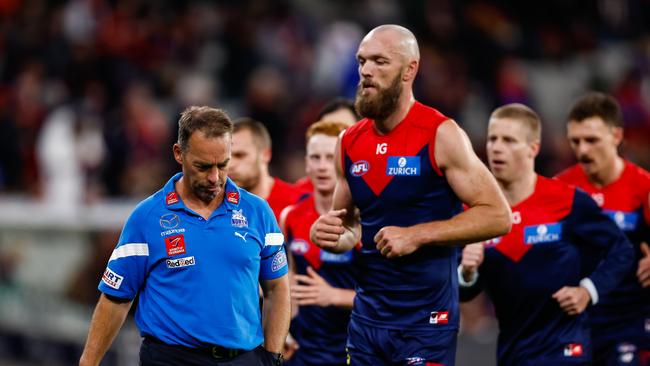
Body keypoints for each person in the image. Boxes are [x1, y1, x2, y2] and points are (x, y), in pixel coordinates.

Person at [310, 24, 512, 366]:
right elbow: (350, 227)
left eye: (379, 61)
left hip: (426, 322)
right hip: (366, 321)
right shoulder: (348, 142)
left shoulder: (441, 134)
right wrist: (329, 234)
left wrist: (418, 234)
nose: (366, 71)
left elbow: (498, 215)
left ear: (410, 69)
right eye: (361, 62)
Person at [79, 106, 290, 366]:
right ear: (179, 153)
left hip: (243, 359)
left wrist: (273, 357)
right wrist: (88, 362)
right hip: (171, 359)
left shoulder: (257, 212)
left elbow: (277, 287)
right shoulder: (147, 217)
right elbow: (115, 299)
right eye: (202, 167)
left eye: (222, 165)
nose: (215, 177)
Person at [459, 103, 634, 365]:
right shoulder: (477, 212)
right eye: (493, 139)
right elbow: (466, 292)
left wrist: (588, 291)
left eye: (509, 140)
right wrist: (467, 273)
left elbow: (621, 250)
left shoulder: (567, 200)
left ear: (533, 149)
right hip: (513, 350)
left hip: (565, 345)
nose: (496, 147)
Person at [555, 92, 650, 365]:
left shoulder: (643, 188)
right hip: (575, 321)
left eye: (592, 140)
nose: (582, 150)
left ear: (617, 137)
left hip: (630, 320)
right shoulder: (560, 190)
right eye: (576, 141)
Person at [280, 120, 357, 366]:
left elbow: (386, 296)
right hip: (303, 350)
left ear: (343, 162)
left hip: (354, 347)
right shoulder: (290, 216)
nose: (322, 166)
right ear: (306, 163)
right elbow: (289, 280)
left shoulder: (363, 221)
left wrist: (335, 295)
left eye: (329, 157)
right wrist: (283, 330)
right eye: (315, 157)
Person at [229, 118, 302, 220]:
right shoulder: (216, 209)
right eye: (226, 158)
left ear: (265, 155)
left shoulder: (299, 203)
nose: (230, 165)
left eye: (240, 155)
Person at [294, 98, 359, 195]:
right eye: (325, 130)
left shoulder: (374, 190)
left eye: (343, 132)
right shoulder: (297, 195)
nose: (333, 138)